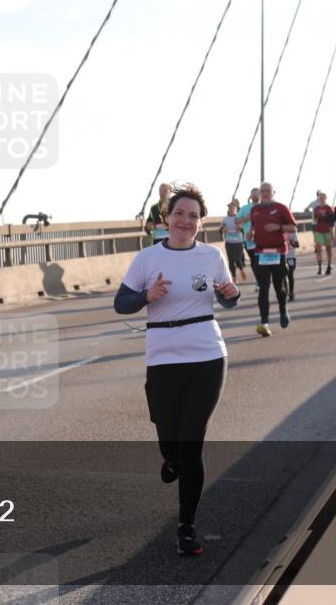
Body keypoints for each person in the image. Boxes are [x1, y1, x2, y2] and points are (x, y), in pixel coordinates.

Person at [114, 183, 240, 555]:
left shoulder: (212, 256)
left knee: (192, 441)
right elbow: (122, 304)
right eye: (179, 214)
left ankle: (186, 525)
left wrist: (230, 295)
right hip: (163, 356)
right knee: (170, 439)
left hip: (206, 353)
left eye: (194, 216)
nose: (186, 221)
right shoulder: (148, 259)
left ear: (201, 223)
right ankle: (170, 456)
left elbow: (227, 297)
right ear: (166, 218)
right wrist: (146, 297)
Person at [246, 182, 297, 336]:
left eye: (268, 191)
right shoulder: (255, 209)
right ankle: (264, 321)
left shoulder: (281, 208)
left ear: (273, 192)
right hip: (261, 252)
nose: (265, 193)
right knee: (263, 288)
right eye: (263, 191)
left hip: (278, 252)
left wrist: (278, 227)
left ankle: (283, 309)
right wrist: (251, 233)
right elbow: (254, 226)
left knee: (279, 287)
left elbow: (293, 227)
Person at [235, 188, 262, 288]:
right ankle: (259, 281)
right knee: (254, 261)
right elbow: (236, 220)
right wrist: (246, 219)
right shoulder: (245, 208)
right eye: (253, 194)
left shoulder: (264, 206)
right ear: (250, 196)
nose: (255, 196)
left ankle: (263, 279)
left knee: (261, 260)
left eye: (257, 194)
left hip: (263, 239)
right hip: (249, 239)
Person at [220, 202, 247, 283]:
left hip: (238, 242)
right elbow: (220, 229)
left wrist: (240, 228)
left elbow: (244, 230)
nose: (230, 209)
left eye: (232, 207)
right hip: (229, 243)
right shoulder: (225, 219)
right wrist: (223, 229)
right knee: (231, 261)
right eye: (229, 207)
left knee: (237, 259)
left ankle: (241, 269)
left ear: (236, 208)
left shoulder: (239, 218)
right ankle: (234, 277)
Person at [311, 191, 334, 275]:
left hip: (327, 231)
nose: (321, 199)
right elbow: (315, 220)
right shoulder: (316, 209)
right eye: (320, 198)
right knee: (319, 249)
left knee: (328, 250)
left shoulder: (329, 208)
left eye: (322, 198)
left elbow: (332, 220)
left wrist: (326, 216)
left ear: (325, 198)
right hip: (318, 231)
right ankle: (320, 267)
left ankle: (329, 265)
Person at [283, 230, 299, 302]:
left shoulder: (293, 232)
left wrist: (290, 242)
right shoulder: (279, 231)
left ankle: (291, 293)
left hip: (291, 256)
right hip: (282, 256)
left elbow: (297, 245)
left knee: (290, 274)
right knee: (283, 275)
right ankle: (285, 291)